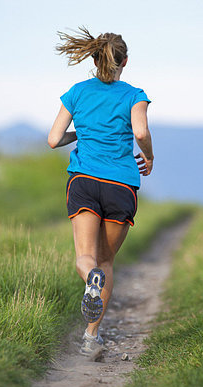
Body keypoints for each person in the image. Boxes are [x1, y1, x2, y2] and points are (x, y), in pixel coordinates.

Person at [48, 27, 154, 358]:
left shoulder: (78, 92)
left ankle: (88, 277)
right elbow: (140, 130)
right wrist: (148, 156)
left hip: (83, 181)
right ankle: (91, 337)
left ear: (94, 59)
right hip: (121, 184)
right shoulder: (134, 94)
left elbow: (54, 139)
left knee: (87, 258)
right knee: (107, 260)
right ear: (125, 61)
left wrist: (82, 132)